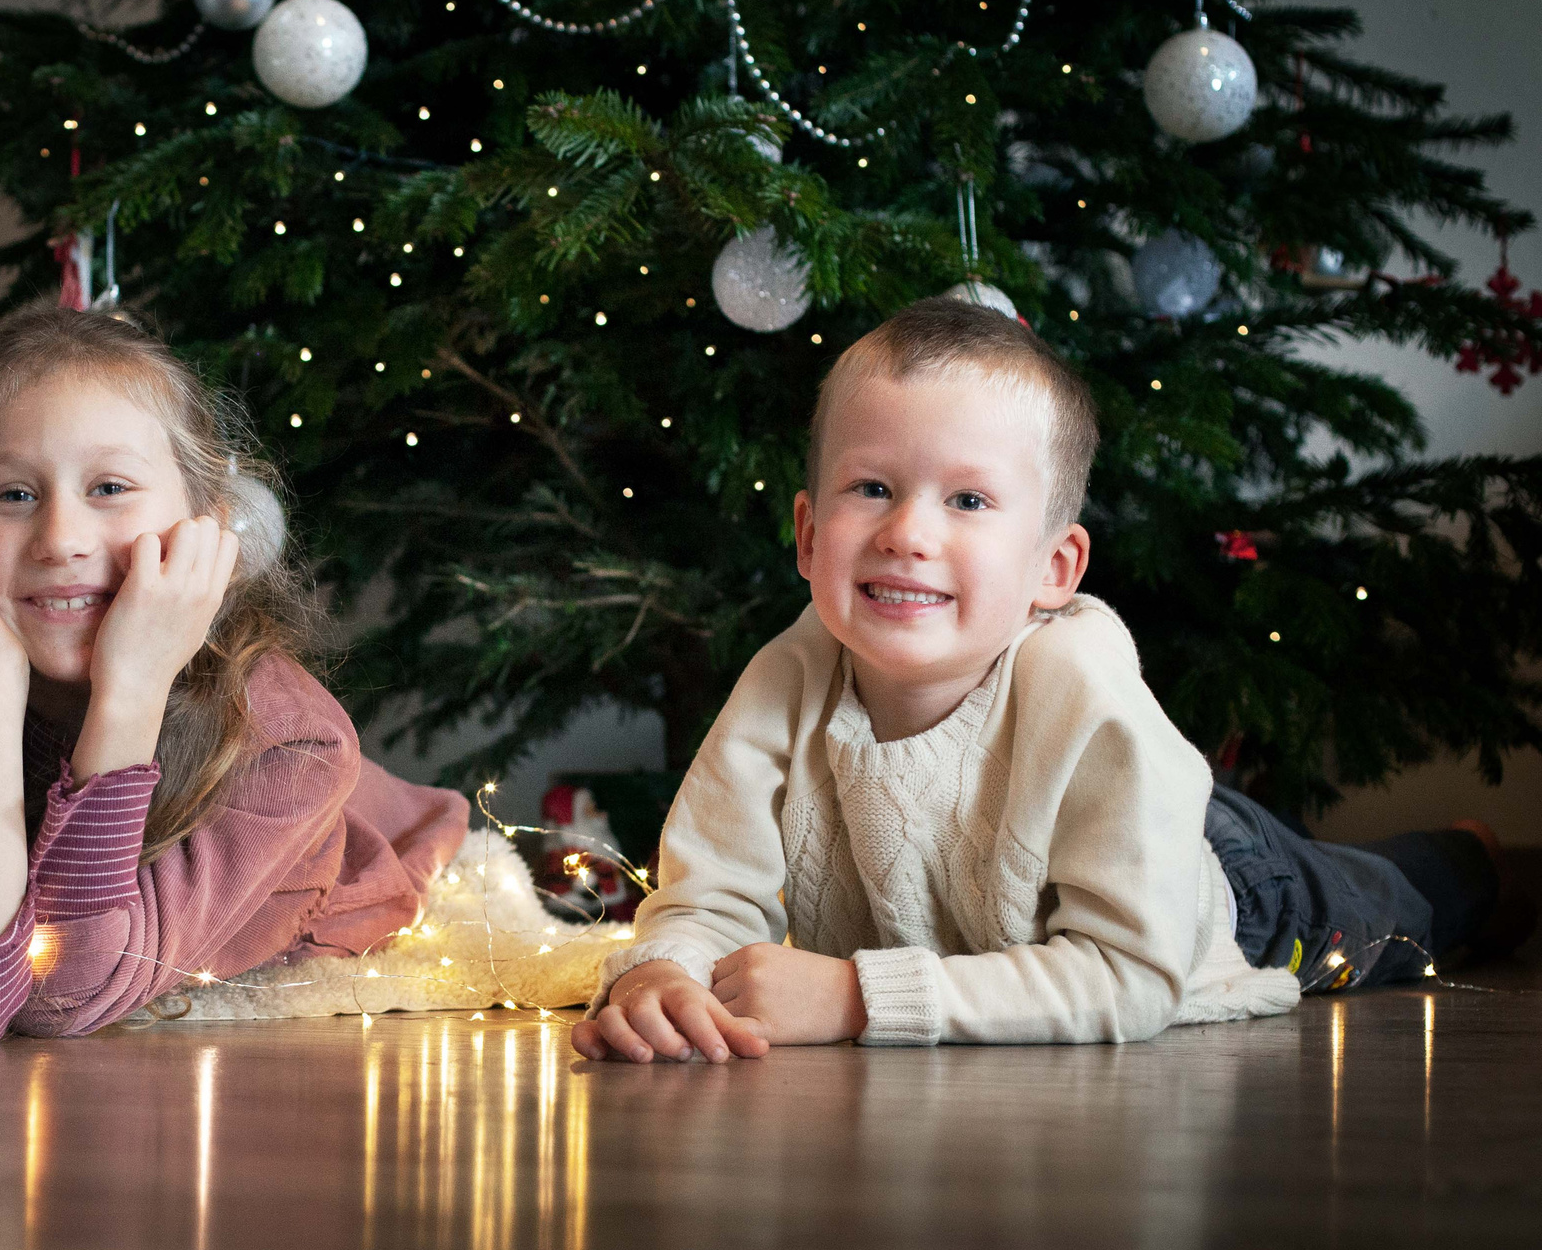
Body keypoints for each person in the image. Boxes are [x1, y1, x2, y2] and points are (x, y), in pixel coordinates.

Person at [577, 297, 1529, 1064]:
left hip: (1214, 882)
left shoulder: (1083, 689)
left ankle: (1472, 857)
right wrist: (659, 973)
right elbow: (708, 896)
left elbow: (1129, 974)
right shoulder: (783, 682)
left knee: (1382, 911)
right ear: (809, 535)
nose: (909, 530)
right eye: (872, 486)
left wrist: (858, 994)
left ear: (1053, 569)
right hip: (1085, 863)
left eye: (968, 499)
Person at [0, 303, 469, 1042]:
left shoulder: (290, 743)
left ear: (209, 528)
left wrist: (130, 686)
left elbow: (59, 992)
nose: (61, 538)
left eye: (109, 488)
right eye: (14, 494)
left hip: (369, 842)